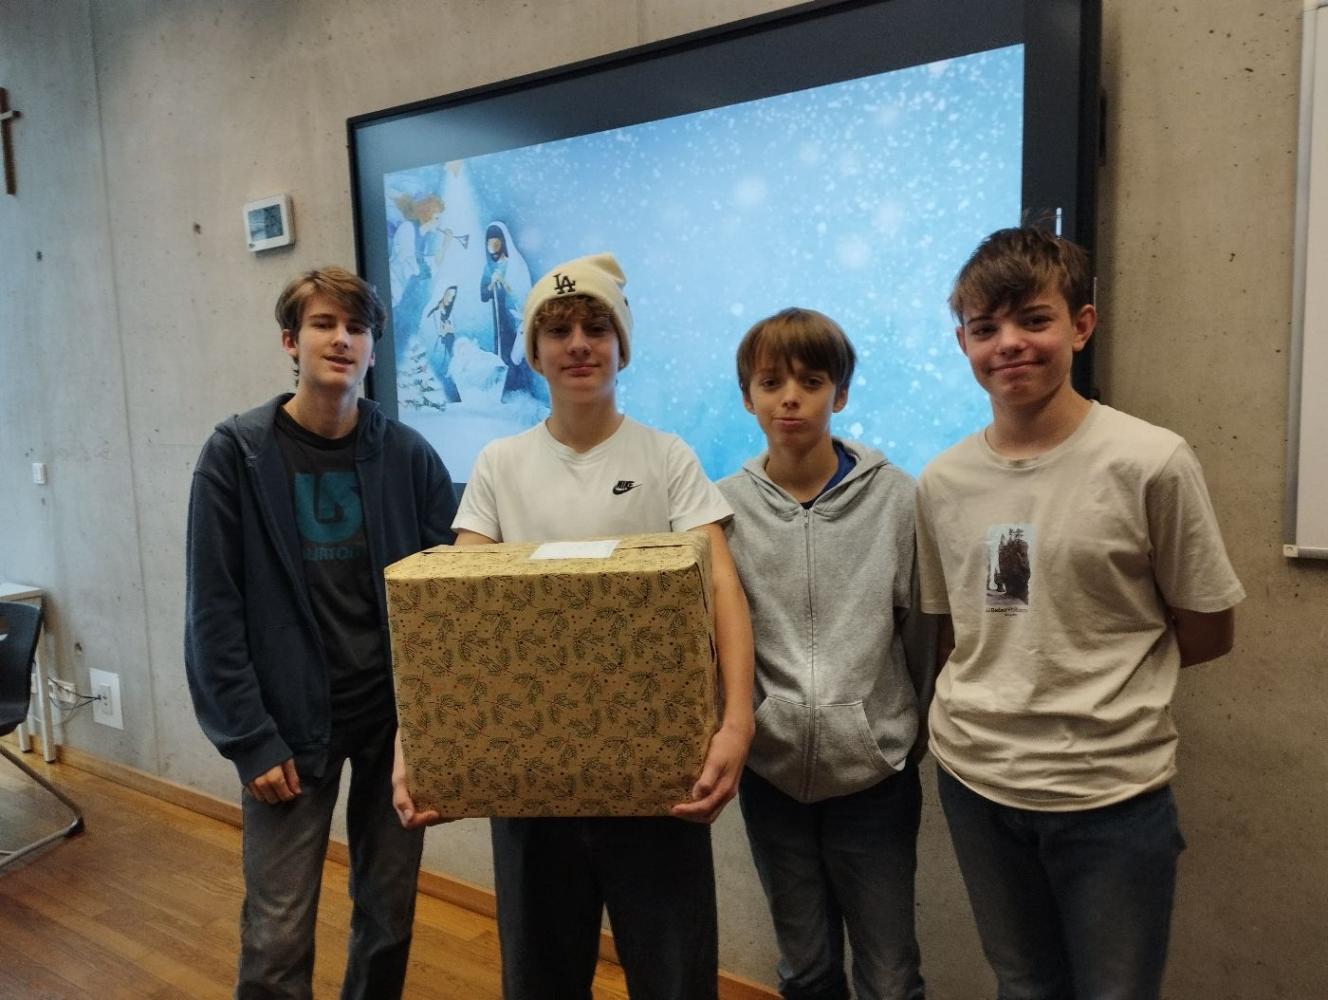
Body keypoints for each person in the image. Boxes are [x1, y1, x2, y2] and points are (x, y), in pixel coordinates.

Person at [393, 252, 755, 1000]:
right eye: (558, 331)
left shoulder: (666, 457)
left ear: (623, 345)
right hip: (532, 774)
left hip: (657, 767)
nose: (580, 344)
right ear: (533, 352)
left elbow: (722, 585)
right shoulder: (500, 464)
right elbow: (451, 612)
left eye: (598, 327)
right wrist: (417, 743)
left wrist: (737, 722)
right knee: (541, 981)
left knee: (676, 979)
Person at [915, 227, 1245, 1000]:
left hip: (1110, 796)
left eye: (1034, 319)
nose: (1009, 343)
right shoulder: (942, 481)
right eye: (985, 327)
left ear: (1081, 325)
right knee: (1023, 985)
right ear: (962, 342)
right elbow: (965, 626)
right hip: (977, 782)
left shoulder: (1150, 461)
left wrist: (1094, 681)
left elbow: (1207, 629)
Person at [184, 266, 457, 999]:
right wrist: (248, 738)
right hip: (286, 726)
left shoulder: (410, 457)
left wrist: (431, 730)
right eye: (324, 324)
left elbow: (443, 607)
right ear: (290, 342)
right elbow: (213, 609)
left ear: (372, 347)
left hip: (391, 726)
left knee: (388, 918)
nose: (342, 339)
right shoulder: (236, 455)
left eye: (357, 328)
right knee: (276, 935)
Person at [718, 307, 929, 1000]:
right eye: (771, 382)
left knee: (890, 975)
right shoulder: (723, 510)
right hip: (773, 775)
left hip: (874, 780)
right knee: (804, 969)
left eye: (811, 382)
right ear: (747, 397)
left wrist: (894, 736)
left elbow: (921, 635)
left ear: (839, 394)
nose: (790, 398)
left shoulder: (897, 500)